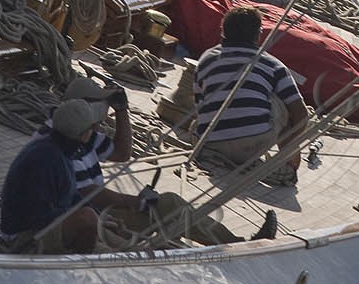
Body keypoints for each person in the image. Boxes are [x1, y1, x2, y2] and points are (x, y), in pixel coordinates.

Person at [53, 76, 275, 246]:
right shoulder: (68, 139)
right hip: (89, 217)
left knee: (170, 206)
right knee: (171, 209)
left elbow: (121, 153)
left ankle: (235, 244)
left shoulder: (83, 133)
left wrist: (122, 111)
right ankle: (238, 246)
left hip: (95, 210)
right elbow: (91, 193)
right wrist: (136, 203)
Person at [195, 6, 312, 185]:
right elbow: (302, 114)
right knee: (283, 102)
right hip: (251, 147)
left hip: (209, 142)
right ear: (258, 35)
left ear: (223, 31)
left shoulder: (206, 58)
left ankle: (223, 153)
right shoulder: (273, 65)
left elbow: (199, 104)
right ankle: (285, 163)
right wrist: (292, 147)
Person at [0, 98, 104, 253]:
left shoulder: (60, 149)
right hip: (25, 234)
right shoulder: (46, 159)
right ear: (83, 134)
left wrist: (101, 218)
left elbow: (72, 196)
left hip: (41, 222)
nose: (95, 129)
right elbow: (38, 214)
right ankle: (81, 260)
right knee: (87, 220)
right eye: (92, 127)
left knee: (96, 218)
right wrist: (86, 220)